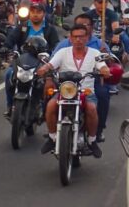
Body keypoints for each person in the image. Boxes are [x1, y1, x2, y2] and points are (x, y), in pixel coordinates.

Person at [38, 24, 110, 157]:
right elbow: (51, 64)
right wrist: (44, 68)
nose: (78, 40)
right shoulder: (62, 52)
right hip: (65, 91)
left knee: (91, 108)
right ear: (70, 38)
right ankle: (52, 137)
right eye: (75, 37)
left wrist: (104, 70)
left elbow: (102, 65)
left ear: (87, 38)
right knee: (50, 106)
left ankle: (92, 140)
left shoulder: (95, 53)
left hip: (86, 92)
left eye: (81, 37)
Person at [3, 1, 60, 116]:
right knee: (9, 74)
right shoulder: (22, 27)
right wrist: (5, 48)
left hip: (42, 62)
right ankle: (10, 105)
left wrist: (51, 56)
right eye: (33, 12)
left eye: (38, 12)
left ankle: (45, 108)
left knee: (51, 81)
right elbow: (11, 39)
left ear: (44, 14)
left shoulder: (50, 29)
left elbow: (56, 46)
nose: (35, 15)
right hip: (22, 60)